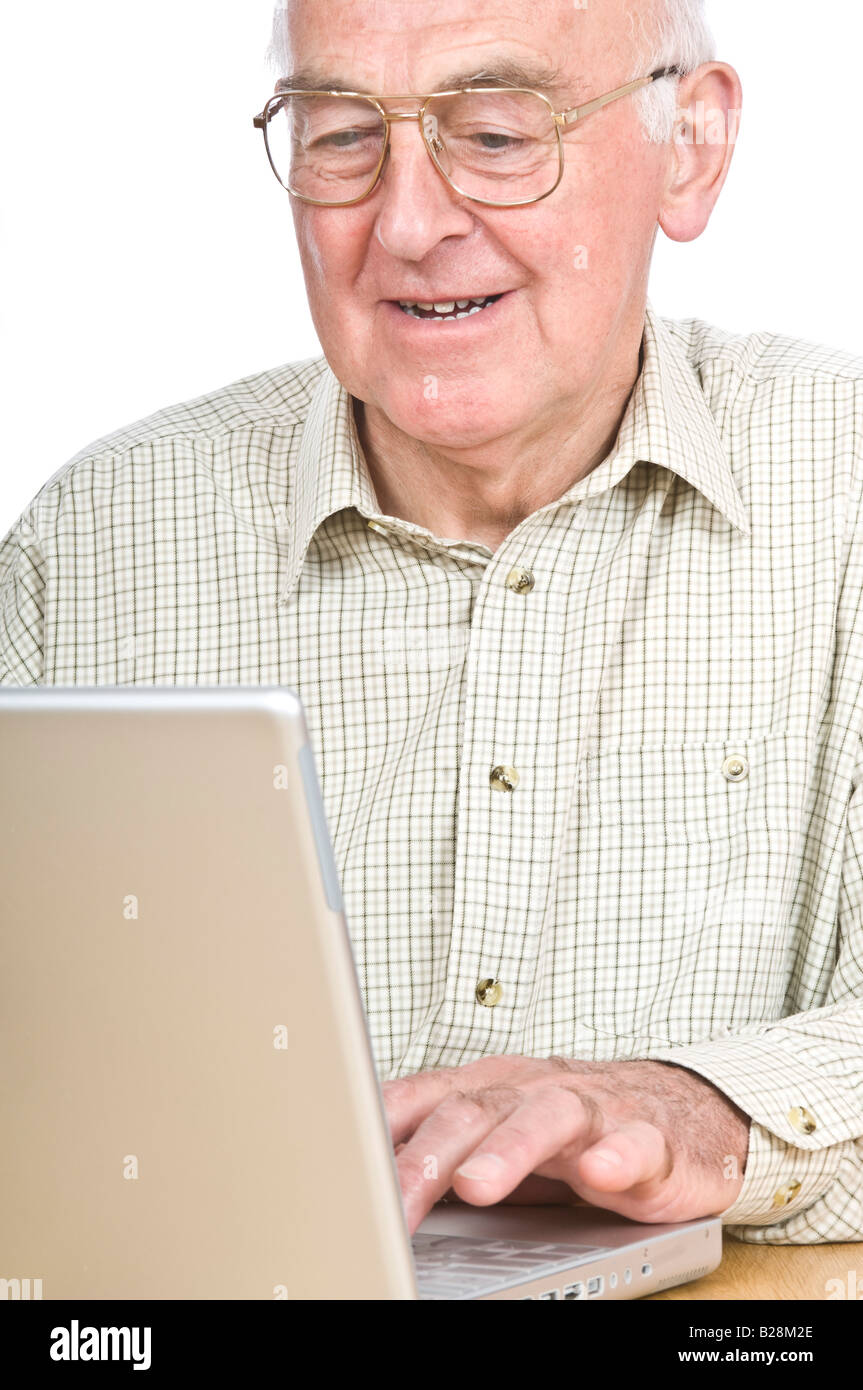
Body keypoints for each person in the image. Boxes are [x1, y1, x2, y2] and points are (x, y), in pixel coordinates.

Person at [1, 0, 861, 1246]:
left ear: (691, 148)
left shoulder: (844, 488)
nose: (405, 225)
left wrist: (700, 1111)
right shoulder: (90, 546)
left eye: (499, 133)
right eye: (342, 134)